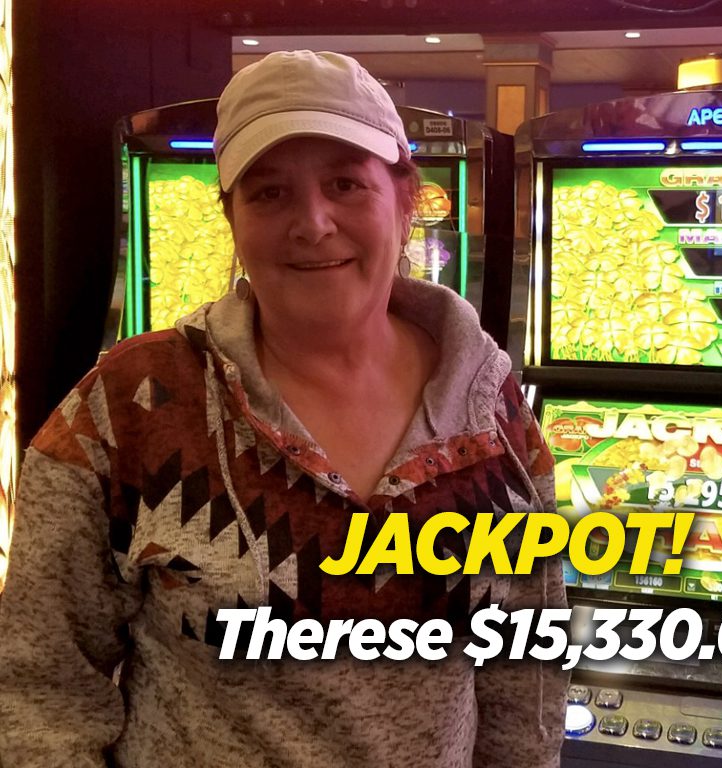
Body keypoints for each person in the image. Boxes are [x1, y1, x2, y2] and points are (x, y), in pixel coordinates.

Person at [0, 50, 567, 767]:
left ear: (405, 199)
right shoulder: (128, 404)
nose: (313, 222)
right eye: (269, 193)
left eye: (345, 184)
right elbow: (39, 687)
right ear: (231, 217)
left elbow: (526, 682)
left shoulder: (492, 409)